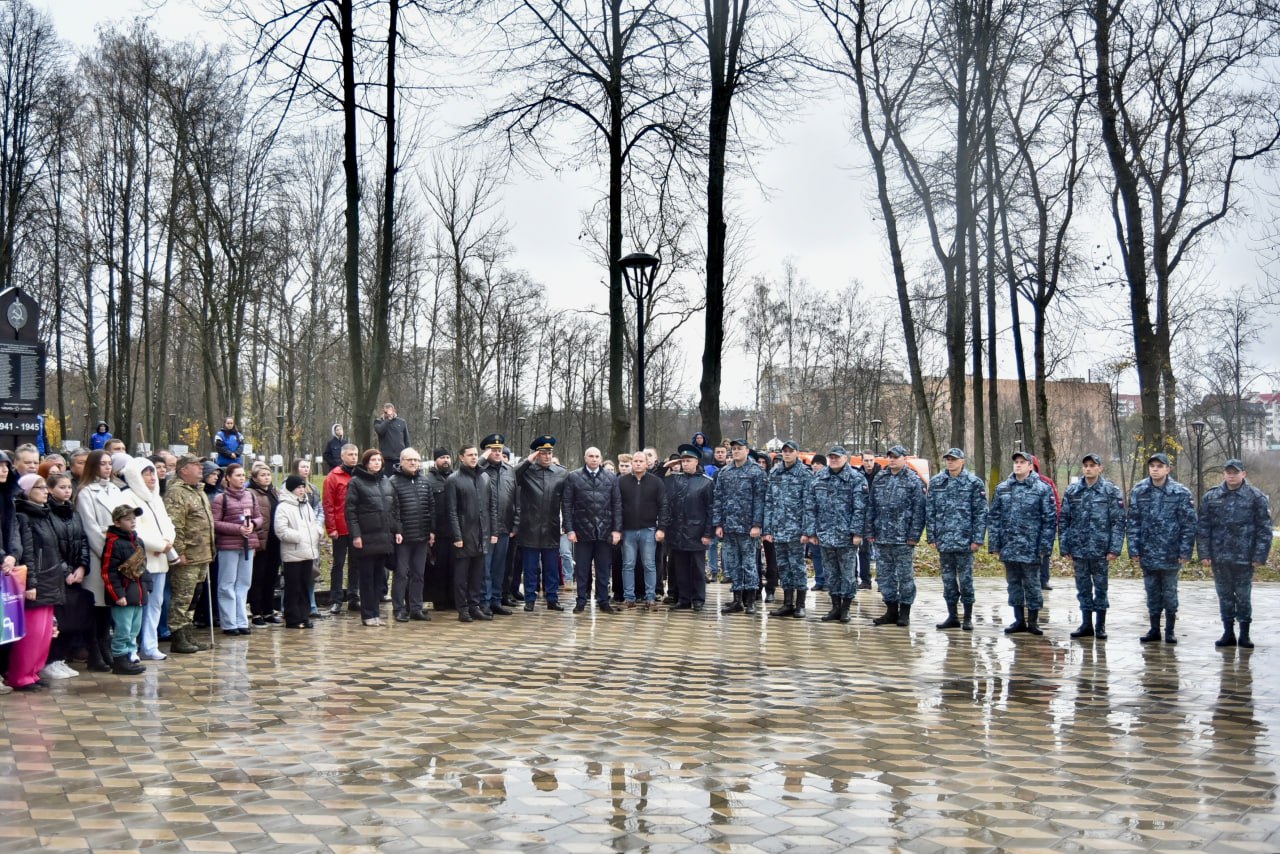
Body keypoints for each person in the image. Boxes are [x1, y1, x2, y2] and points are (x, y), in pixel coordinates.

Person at [1198, 458, 1273, 649]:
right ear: (1224, 474)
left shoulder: (1256, 497)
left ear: (1243, 474)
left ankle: (1245, 634)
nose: (1231, 475)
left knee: (1243, 596)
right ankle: (1228, 632)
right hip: (1220, 556)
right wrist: (1204, 553)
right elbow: (1204, 527)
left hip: (1244, 557)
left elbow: (1264, 529)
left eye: (1235, 472)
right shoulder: (1212, 496)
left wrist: (1259, 555)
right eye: (1228, 472)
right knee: (1224, 596)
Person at [1128, 452, 1196, 644]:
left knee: (1169, 593)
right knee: (1151, 593)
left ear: (1168, 469)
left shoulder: (1180, 492)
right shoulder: (1140, 491)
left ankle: (1170, 630)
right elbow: (1133, 522)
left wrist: (1185, 551)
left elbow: (1189, 524)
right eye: (1152, 466)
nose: (1155, 469)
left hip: (1170, 553)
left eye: (1159, 466)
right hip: (1148, 552)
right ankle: (1154, 629)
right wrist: (1134, 549)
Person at [988, 450, 1057, 636]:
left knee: (1033, 585)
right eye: (1015, 462)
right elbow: (994, 517)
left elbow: (1049, 520)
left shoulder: (1042, 489)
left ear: (1030, 466)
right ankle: (1018, 620)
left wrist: (1044, 547)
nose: (1018, 465)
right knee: (1013, 584)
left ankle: (1033, 621)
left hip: (1031, 547)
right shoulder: (1003, 488)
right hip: (1009, 546)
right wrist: (995, 544)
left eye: (1022, 462)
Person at [1058, 452, 1125, 640]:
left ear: (1100, 468)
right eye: (1085, 465)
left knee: (1101, 587)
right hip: (1078, 549)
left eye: (1092, 465)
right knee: (1083, 587)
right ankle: (1086, 624)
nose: (1088, 468)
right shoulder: (1073, 491)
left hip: (1101, 549)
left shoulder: (1110, 491)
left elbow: (1118, 521)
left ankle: (1100, 625)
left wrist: (1114, 548)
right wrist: (1065, 547)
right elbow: (1064, 519)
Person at [8, 475, 63, 691]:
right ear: (27, 490)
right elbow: (28, 553)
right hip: (37, 581)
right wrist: (31, 583)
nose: (45, 491)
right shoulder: (24, 516)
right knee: (32, 632)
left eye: (45, 487)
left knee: (45, 631)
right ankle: (21, 674)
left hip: (50, 577)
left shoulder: (44, 514)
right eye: (39, 488)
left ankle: (34, 672)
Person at [925, 448, 988, 632]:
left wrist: (977, 539)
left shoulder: (974, 483)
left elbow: (981, 513)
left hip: (965, 542)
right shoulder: (937, 482)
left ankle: (967, 617)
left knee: (966, 581)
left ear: (962, 462)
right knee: (948, 581)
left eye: (953, 460)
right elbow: (931, 512)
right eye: (947, 459)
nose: (950, 462)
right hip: (944, 541)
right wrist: (932, 536)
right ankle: (952, 616)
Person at [121, 457, 177, 660]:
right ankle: (131, 647)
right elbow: (136, 529)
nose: (153, 477)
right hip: (142, 560)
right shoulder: (128, 497)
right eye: (147, 473)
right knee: (137, 605)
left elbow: (167, 524)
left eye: (153, 473)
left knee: (156, 604)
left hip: (160, 560)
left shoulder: (156, 498)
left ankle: (150, 645)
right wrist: (160, 545)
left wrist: (169, 541)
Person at [76, 449, 125, 671]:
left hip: (117, 552)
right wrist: (108, 553)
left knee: (108, 605)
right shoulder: (86, 492)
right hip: (100, 555)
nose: (107, 467)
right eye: (102, 463)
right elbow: (90, 527)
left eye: (109, 463)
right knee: (96, 604)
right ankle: (94, 650)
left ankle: (105, 646)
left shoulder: (116, 489)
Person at [807, 445, 868, 624]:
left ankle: (846, 608)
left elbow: (860, 508)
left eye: (837, 457)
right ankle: (835, 606)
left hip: (846, 536)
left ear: (845, 458)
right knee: (831, 573)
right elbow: (811, 507)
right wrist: (812, 531)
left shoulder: (856, 478)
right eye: (831, 457)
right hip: (825, 534)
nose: (833, 460)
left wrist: (857, 532)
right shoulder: (820, 478)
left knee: (847, 574)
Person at [866, 445, 926, 627]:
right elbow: (871, 506)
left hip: (903, 538)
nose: (892, 460)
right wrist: (870, 530)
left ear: (904, 458)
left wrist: (914, 535)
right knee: (884, 576)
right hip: (882, 536)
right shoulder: (881, 477)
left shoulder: (913, 480)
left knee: (905, 576)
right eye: (890, 457)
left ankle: (905, 612)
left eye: (896, 457)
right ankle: (891, 610)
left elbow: (919, 511)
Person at [163, 455, 215, 655]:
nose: (201, 468)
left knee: (194, 596)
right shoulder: (177, 493)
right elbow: (175, 524)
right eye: (196, 465)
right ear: (184, 469)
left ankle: (187, 632)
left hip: (202, 554)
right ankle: (177, 634)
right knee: (182, 597)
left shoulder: (198, 491)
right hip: (188, 555)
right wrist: (179, 552)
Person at [563, 446, 622, 615]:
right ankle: (581, 600)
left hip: (604, 530)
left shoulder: (611, 477)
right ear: (585, 457)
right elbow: (567, 504)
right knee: (582, 569)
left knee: (603, 568)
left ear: (601, 458)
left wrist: (617, 530)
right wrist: (570, 529)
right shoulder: (574, 477)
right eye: (591, 456)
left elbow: (617, 505)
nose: (594, 459)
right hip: (582, 531)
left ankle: (603, 600)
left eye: (597, 456)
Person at [345, 449, 401, 626]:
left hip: (384, 537)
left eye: (379, 460)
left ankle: (376, 613)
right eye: (373, 460)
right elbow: (351, 511)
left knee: (379, 578)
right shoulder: (356, 482)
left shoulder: (386, 481)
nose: (377, 463)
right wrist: (356, 535)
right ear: (366, 462)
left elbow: (394, 508)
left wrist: (397, 530)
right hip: (366, 537)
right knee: (367, 578)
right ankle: (368, 614)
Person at [513, 436, 568, 612]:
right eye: (543, 453)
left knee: (551, 566)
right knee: (530, 568)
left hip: (551, 527)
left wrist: (566, 523)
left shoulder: (561, 473)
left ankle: (552, 598)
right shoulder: (527, 471)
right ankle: (530, 598)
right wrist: (528, 461)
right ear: (537, 454)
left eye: (549, 453)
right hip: (530, 527)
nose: (547, 456)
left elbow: (566, 501)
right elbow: (512, 476)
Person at [44, 472, 91, 677]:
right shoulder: (48, 514)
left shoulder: (73, 512)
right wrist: (65, 571)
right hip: (57, 574)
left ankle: (61, 657)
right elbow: (50, 545)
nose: (67, 491)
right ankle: (50, 660)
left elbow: (82, 540)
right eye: (62, 487)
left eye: (69, 487)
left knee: (71, 618)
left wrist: (82, 566)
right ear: (51, 489)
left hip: (75, 574)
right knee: (57, 619)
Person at [658, 444, 715, 611]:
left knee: (697, 569)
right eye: (683, 461)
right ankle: (684, 599)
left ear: (696, 461)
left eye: (688, 461)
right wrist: (666, 466)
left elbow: (711, 510)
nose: (685, 464)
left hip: (696, 533)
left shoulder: (705, 482)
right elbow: (657, 480)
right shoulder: (674, 479)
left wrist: (707, 533)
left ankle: (698, 599)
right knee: (680, 569)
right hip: (677, 532)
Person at [713, 437, 765, 615]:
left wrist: (757, 524)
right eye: (733, 448)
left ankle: (750, 600)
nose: (735, 451)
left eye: (739, 448)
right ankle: (737, 600)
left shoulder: (756, 471)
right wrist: (718, 523)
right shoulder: (725, 472)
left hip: (748, 528)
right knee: (733, 564)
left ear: (747, 450)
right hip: (729, 527)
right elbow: (718, 499)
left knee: (749, 564)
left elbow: (760, 500)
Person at [211, 463, 264, 637]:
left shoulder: (251, 496)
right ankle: (229, 622)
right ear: (228, 478)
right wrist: (237, 529)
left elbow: (258, 517)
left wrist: (253, 525)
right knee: (227, 584)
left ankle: (242, 620)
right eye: (237, 475)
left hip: (248, 544)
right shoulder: (221, 499)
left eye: (243, 475)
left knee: (243, 583)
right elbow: (215, 523)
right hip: (229, 545)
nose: (241, 479)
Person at [446, 443, 496, 622]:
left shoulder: (484, 478)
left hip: (482, 533)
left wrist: (493, 531)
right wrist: (457, 536)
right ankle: (463, 609)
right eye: (470, 455)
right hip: (464, 534)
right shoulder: (454, 479)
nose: (474, 457)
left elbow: (491, 507)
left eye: (476, 454)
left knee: (478, 574)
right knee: (462, 575)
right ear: (461, 457)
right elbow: (451, 511)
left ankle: (475, 606)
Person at [764, 441, 813, 619]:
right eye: (784, 451)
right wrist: (768, 528)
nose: (786, 454)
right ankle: (787, 603)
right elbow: (769, 502)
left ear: (797, 453)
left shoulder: (805, 475)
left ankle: (800, 604)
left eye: (790, 451)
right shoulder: (774, 472)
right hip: (779, 529)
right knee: (783, 567)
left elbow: (809, 504)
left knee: (797, 566)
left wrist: (806, 531)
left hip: (796, 530)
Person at [389, 447, 434, 622]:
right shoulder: (393, 481)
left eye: (416, 460)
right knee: (401, 574)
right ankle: (398, 608)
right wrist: (398, 530)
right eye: (410, 460)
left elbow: (431, 507)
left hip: (422, 536)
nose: (414, 463)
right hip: (404, 537)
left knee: (418, 574)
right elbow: (393, 510)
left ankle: (416, 607)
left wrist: (432, 530)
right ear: (401, 461)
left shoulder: (424, 481)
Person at [101, 504, 148, 675]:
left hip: (138, 593)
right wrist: (118, 594)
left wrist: (147, 586)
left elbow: (144, 567)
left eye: (134, 519)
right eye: (128, 519)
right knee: (123, 628)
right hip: (124, 596)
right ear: (117, 522)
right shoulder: (113, 543)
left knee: (134, 628)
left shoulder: (138, 541)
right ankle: (119, 658)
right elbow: (108, 572)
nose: (132, 522)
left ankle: (130, 655)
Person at [275, 474, 325, 629]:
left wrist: (317, 532)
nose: (301, 490)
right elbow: (281, 530)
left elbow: (314, 522)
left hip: (308, 551)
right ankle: (292, 617)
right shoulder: (283, 507)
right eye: (298, 487)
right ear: (291, 489)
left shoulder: (306, 505)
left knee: (305, 585)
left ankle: (304, 615)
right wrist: (299, 537)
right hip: (293, 553)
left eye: (303, 487)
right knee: (293, 586)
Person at [619, 447, 665, 610]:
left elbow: (663, 506)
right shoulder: (622, 482)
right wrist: (618, 529)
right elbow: (617, 507)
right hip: (628, 530)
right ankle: (629, 598)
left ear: (647, 464)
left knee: (649, 564)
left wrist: (662, 528)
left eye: (641, 461)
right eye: (635, 461)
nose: (638, 464)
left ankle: (650, 597)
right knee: (628, 564)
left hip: (649, 529)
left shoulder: (656, 482)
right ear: (631, 463)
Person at [480, 434, 515, 617]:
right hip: (485, 529)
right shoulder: (480, 469)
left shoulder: (509, 470)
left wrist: (514, 525)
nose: (497, 453)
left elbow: (515, 499)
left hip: (504, 527)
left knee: (499, 568)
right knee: (485, 568)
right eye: (493, 450)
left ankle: (495, 600)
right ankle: (484, 602)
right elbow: (469, 470)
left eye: (500, 450)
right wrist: (482, 458)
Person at [322, 444, 358, 614]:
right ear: (342, 456)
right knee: (338, 564)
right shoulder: (333, 477)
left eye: (356, 454)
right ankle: (336, 599)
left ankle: (353, 596)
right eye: (350, 454)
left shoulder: (360, 475)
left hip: (356, 528)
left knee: (355, 564)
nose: (354, 457)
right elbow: (328, 504)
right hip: (340, 527)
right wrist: (331, 528)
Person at [246, 464, 282, 626]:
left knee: (271, 577)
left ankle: (268, 610)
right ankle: (256, 612)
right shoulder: (251, 493)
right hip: (261, 541)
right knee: (258, 577)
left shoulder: (274, 492)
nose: (267, 477)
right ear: (254, 478)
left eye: (268, 474)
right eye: (262, 475)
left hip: (275, 540)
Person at [425, 448, 456, 612]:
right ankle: (439, 599)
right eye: (442, 458)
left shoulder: (455, 477)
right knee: (438, 567)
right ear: (435, 460)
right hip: (438, 531)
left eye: (448, 457)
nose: (446, 460)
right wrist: (430, 530)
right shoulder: (428, 480)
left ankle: (452, 597)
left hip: (454, 531)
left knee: (453, 566)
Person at [1031, 455, 1061, 590]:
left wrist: (1057, 521)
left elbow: (1056, 502)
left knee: (1045, 554)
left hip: (1045, 526)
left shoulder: (1046, 482)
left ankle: (1044, 580)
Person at [857, 450, 881, 590]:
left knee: (880, 551)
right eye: (866, 460)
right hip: (864, 518)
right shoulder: (858, 476)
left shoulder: (881, 475)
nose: (869, 463)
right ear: (862, 461)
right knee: (863, 550)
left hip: (878, 518)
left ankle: (882, 579)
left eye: (871, 460)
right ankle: (865, 580)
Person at [374, 403, 411, 474]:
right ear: (383, 412)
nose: (388, 413)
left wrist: (408, 453)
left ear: (394, 411)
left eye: (390, 411)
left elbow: (406, 439)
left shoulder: (401, 422)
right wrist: (388, 420)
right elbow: (380, 431)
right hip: (386, 458)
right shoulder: (378, 421)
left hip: (400, 457)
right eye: (386, 412)